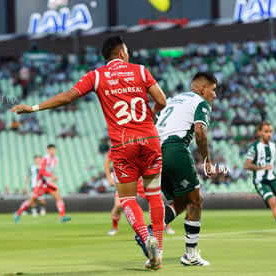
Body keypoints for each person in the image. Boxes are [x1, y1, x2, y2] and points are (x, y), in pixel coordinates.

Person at [10, 36, 167, 270]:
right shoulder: (142, 72)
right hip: (150, 138)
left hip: (123, 144)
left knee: (126, 199)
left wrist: (33, 108)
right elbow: (162, 101)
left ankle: (146, 239)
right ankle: (160, 250)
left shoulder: (96, 75)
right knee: (154, 195)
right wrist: (150, 115)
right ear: (122, 53)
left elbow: (68, 96)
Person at [154, 72, 217, 266]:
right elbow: (200, 131)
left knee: (180, 202)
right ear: (203, 89)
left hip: (154, 152)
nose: (214, 95)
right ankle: (190, 255)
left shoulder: (173, 101)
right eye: (213, 90)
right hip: (174, 149)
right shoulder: (200, 102)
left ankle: (149, 232)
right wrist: (206, 160)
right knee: (196, 201)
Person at [104, 150, 175, 236]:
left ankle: (164, 224)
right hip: (126, 179)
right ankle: (114, 227)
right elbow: (107, 161)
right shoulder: (119, 144)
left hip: (140, 180)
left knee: (155, 202)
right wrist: (109, 178)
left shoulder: (140, 143)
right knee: (118, 205)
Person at [13, 145, 71, 223]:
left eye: (54, 149)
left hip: (49, 183)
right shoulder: (44, 159)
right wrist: (51, 176)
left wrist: (51, 179)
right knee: (32, 201)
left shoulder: (56, 159)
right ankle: (17, 213)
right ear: (48, 150)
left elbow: (50, 170)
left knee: (58, 197)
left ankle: (62, 216)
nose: (53, 151)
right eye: (51, 150)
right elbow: (41, 172)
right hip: (41, 183)